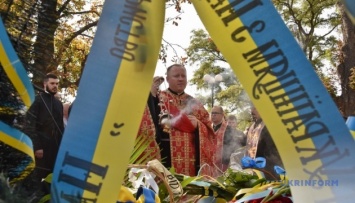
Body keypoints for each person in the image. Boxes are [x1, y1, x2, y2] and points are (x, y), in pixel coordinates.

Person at [140, 64, 217, 177]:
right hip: (166, 156)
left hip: (191, 160)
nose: (180, 79)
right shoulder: (159, 98)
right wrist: (150, 95)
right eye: (176, 76)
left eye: (183, 76)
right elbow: (148, 123)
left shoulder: (195, 103)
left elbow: (210, 132)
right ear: (167, 79)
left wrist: (198, 125)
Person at [24, 73, 64, 184]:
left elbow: (60, 127)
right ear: (45, 84)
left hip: (54, 149)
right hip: (40, 149)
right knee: (36, 180)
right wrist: (37, 146)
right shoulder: (37, 100)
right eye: (52, 83)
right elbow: (29, 125)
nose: (55, 86)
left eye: (56, 84)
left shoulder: (59, 104)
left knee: (49, 182)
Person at [244, 106, 284, 180]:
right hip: (254, 168)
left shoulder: (270, 125)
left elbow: (272, 150)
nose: (252, 111)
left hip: (269, 168)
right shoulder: (252, 127)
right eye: (251, 108)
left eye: (255, 108)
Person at [211, 106, 242, 172]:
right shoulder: (207, 128)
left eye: (216, 113)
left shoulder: (229, 130)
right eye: (212, 113)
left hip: (223, 164)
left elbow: (233, 147)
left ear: (222, 115)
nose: (213, 115)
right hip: (209, 163)